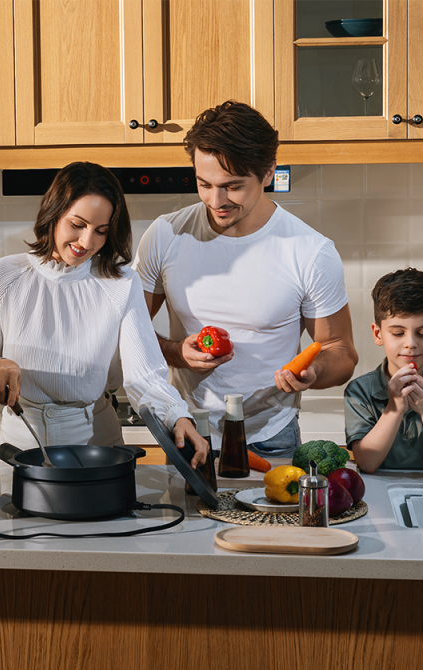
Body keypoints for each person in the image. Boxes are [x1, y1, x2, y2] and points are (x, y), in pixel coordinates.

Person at [136, 101, 358, 459]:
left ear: (268, 172)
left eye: (232, 186)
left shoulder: (310, 251)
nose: (215, 200)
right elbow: (129, 332)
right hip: (187, 428)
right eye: (203, 184)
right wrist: (177, 353)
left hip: (271, 435)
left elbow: (341, 352)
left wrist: (314, 371)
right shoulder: (165, 234)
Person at [0, 162, 207, 465]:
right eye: (77, 225)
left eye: (101, 231)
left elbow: (145, 376)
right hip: (21, 439)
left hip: (96, 442)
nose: (87, 242)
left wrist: (177, 416)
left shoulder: (122, 283)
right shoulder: (3, 275)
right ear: (54, 213)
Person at [345, 268, 423, 473]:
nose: (410, 344)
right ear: (378, 334)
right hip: (378, 496)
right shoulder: (359, 391)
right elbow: (366, 463)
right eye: (397, 333)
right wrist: (394, 409)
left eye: (422, 333)